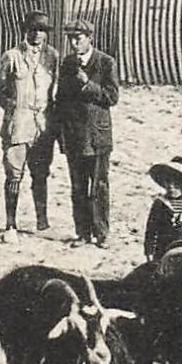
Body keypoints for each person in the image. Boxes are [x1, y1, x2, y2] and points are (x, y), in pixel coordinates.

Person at [0, 10, 59, 243]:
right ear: (25, 31)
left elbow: (53, 91)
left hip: (42, 125)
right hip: (18, 124)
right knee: (14, 174)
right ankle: (10, 224)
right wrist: (14, 109)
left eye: (42, 30)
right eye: (34, 29)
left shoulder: (52, 56)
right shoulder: (11, 56)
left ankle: (42, 222)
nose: (38, 34)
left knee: (40, 174)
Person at [55, 19, 119, 248]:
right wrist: (62, 136)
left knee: (99, 186)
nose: (74, 43)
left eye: (78, 38)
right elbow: (60, 100)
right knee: (78, 186)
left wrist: (88, 84)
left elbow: (112, 97)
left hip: (97, 136)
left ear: (89, 38)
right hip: (74, 135)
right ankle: (82, 232)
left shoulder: (105, 62)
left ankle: (101, 234)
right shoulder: (67, 63)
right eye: (70, 38)